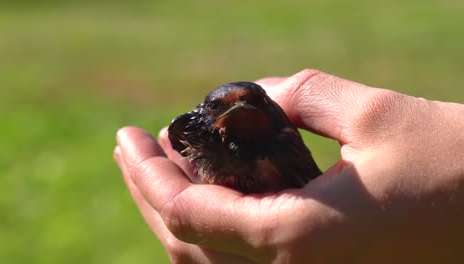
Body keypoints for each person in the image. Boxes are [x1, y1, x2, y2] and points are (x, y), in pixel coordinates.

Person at [114, 69, 464, 263]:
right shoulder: (204, 141)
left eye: (252, 104)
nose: (240, 110)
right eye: (226, 109)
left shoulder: (280, 142)